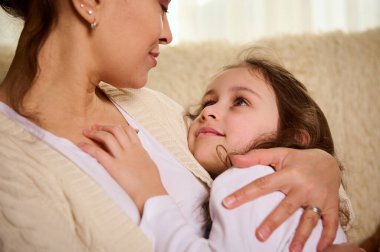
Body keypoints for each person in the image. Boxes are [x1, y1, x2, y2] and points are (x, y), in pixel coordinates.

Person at [0, 1, 353, 251]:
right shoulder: (11, 171)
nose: (167, 34)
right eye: (163, 6)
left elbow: (257, 159)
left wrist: (318, 163)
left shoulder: (155, 109)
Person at [79, 55, 348, 251]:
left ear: (293, 138)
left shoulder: (249, 182)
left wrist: (150, 193)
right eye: (208, 102)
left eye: (240, 101)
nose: (207, 112)